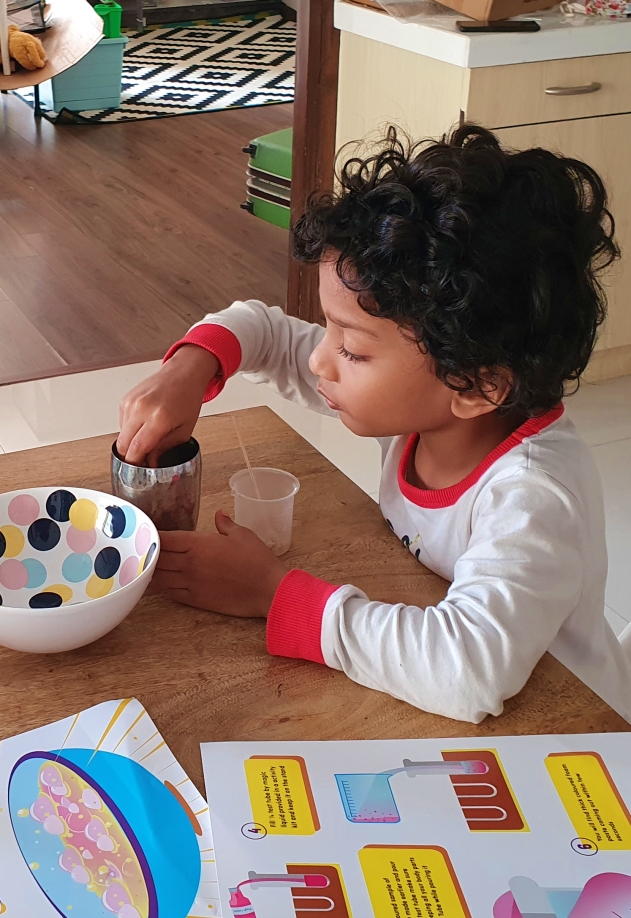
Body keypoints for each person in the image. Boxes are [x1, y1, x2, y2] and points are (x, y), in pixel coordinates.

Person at [117, 125, 631, 723]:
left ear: (480, 384)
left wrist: (273, 593)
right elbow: (265, 331)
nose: (318, 360)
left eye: (353, 350)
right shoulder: (428, 405)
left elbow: (467, 669)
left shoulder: (535, 497)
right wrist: (190, 367)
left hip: (571, 735)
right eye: (329, 329)